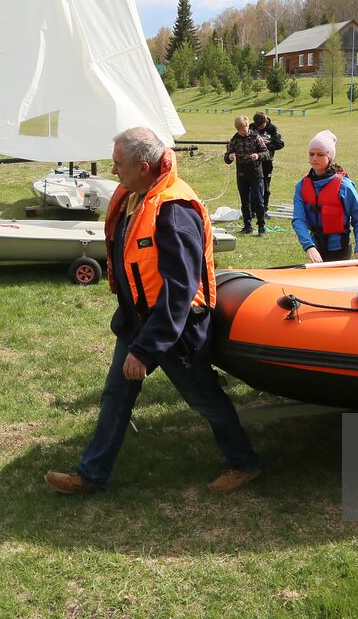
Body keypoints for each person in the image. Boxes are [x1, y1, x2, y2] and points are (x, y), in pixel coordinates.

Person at [45, 127, 262, 493]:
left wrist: (146, 349)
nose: (114, 172)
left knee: (205, 400)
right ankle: (92, 475)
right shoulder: (136, 194)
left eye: (118, 165)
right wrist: (136, 336)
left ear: (144, 167)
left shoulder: (174, 211)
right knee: (116, 396)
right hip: (138, 323)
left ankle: (244, 463)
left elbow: (181, 290)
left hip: (176, 331)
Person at [292, 130, 358, 263]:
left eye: (320, 154)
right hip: (316, 248)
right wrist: (309, 246)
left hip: (340, 250)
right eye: (311, 154)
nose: (315, 158)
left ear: (330, 157)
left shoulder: (344, 186)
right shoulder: (302, 186)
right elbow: (298, 220)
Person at [224, 115, 270, 235]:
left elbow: (266, 153)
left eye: (244, 129)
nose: (242, 132)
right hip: (241, 173)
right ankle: (247, 226)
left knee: (258, 201)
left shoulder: (256, 137)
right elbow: (226, 157)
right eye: (239, 130)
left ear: (247, 126)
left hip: (256, 173)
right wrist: (229, 157)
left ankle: (261, 227)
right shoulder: (234, 139)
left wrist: (258, 156)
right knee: (245, 202)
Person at [251, 111, 284, 214]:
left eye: (262, 126)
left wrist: (266, 146)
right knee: (253, 185)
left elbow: (280, 144)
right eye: (258, 126)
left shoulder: (272, 129)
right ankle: (253, 208)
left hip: (267, 161)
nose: (260, 128)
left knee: (265, 185)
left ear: (266, 121)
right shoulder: (252, 127)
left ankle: (264, 207)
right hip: (254, 161)